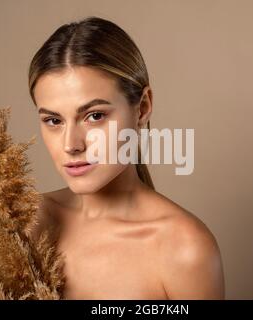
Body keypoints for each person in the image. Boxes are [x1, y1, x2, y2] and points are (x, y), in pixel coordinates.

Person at [28, 16, 224, 299]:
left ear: (142, 108)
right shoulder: (30, 223)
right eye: (53, 120)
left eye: (94, 116)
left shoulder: (183, 248)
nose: (71, 144)